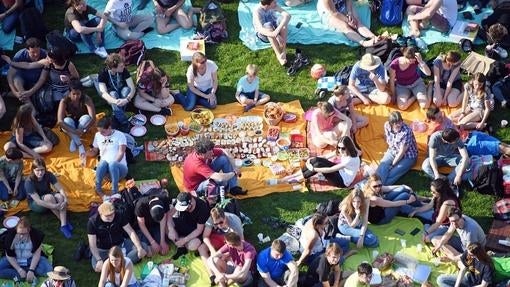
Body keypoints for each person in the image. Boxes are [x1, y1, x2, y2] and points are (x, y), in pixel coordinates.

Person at [87, 201, 147, 272]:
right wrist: (99, 259)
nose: (111, 217)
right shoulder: (92, 222)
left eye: (112, 214)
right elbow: (92, 244)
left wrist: (139, 247)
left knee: (143, 247)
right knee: (97, 266)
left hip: (121, 245)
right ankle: (123, 263)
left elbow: (130, 231)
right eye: (107, 216)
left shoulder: (119, 215)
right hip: (103, 250)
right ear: (100, 214)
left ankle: (114, 266)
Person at [25, 159, 72, 239]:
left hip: (48, 194)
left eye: (42, 170)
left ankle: (63, 225)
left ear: (45, 169)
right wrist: (54, 206)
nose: (40, 172)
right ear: (33, 170)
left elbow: (60, 189)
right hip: (35, 204)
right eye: (37, 170)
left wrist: (65, 199)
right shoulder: (29, 182)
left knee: (60, 196)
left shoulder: (48, 174)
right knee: (49, 197)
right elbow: (38, 201)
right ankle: (61, 218)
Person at [198, 207, 244, 283]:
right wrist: (212, 250)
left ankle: (225, 277)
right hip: (219, 237)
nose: (219, 226)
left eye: (221, 222)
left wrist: (227, 254)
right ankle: (212, 275)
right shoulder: (212, 218)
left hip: (231, 240)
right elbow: (205, 236)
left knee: (235, 260)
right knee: (201, 248)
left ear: (225, 217)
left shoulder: (235, 223)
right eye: (216, 224)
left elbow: (241, 243)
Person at [0, 217, 53, 283]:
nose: (21, 236)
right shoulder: (10, 237)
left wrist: (31, 270)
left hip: (30, 259)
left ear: (29, 230)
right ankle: (20, 274)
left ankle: (27, 273)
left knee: (49, 270)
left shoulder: (36, 236)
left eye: (24, 234)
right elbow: (9, 255)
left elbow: (37, 254)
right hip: (15, 259)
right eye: (19, 233)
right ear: (16, 230)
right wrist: (19, 270)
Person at [86, 117, 128, 198]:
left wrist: (113, 164)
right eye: (99, 131)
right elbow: (95, 151)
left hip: (120, 171)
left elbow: (121, 152)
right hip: (106, 173)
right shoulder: (98, 135)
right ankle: (98, 188)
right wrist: (85, 154)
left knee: (112, 164)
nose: (101, 134)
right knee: (102, 163)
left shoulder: (120, 135)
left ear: (109, 128)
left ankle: (114, 191)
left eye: (103, 132)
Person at [57, 79, 96, 160]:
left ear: (81, 92)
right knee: (66, 121)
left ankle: (74, 139)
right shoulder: (64, 100)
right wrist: (74, 131)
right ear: (69, 93)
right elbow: (60, 121)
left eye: (78, 94)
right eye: (73, 94)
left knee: (86, 118)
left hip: (82, 123)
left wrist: (84, 129)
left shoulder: (86, 99)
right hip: (70, 123)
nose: (76, 96)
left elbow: (93, 118)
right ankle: (79, 143)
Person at [376, 111, 418, 185]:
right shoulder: (387, 125)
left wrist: (392, 165)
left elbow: (402, 152)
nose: (399, 124)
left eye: (400, 121)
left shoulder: (406, 131)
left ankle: (380, 187)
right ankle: (374, 185)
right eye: (396, 123)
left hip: (408, 156)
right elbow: (389, 139)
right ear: (391, 123)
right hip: (393, 150)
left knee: (392, 173)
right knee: (382, 167)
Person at [98, 53, 136, 130]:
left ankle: (116, 115)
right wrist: (115, 102)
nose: (124, 67)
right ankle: (124, 122)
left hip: (123, 94)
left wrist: (127, 99)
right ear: (113, 68)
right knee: (113, 94)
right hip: (112, 97)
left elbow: (132, 87)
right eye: (121, 66)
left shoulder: (124, 71)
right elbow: (103, 93)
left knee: (126, 90)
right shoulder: (103, 73)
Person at [167, 192, 210, 260]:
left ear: (191, 202)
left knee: (193, 246)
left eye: (185, 208)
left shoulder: (202, 207)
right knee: (168, 229)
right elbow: (169, 215)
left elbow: (199, 230)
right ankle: (181, 246)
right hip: (183, 223)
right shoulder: (179, 200)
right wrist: (171, 229)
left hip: (194, 230)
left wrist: (184, 240)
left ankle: (181, 243)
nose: (183, 210)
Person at [5, 38, 48, 104]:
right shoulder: (20, 55)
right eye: (33, 52)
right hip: (23, 79)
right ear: (27, 50)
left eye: (37, 51)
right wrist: (15, 92)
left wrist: (31, 92)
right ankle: (30, 106)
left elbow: (42, 78)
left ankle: (9, 94)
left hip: (37, 82)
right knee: (17, 81)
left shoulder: (45, 55)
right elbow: (10, 74)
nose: (36, 54)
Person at [252, 0, 291, 65]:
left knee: (283, 20)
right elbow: (260, 29)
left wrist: (277, 31)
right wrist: (275, 35)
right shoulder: (257, 11)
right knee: (268, 26)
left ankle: (283, 51)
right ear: (267, 5)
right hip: (265, 34)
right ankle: (278, 55)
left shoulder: (274, 5)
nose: (276, 3)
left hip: (275, 28)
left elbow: (288, 15)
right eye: (274, 2)